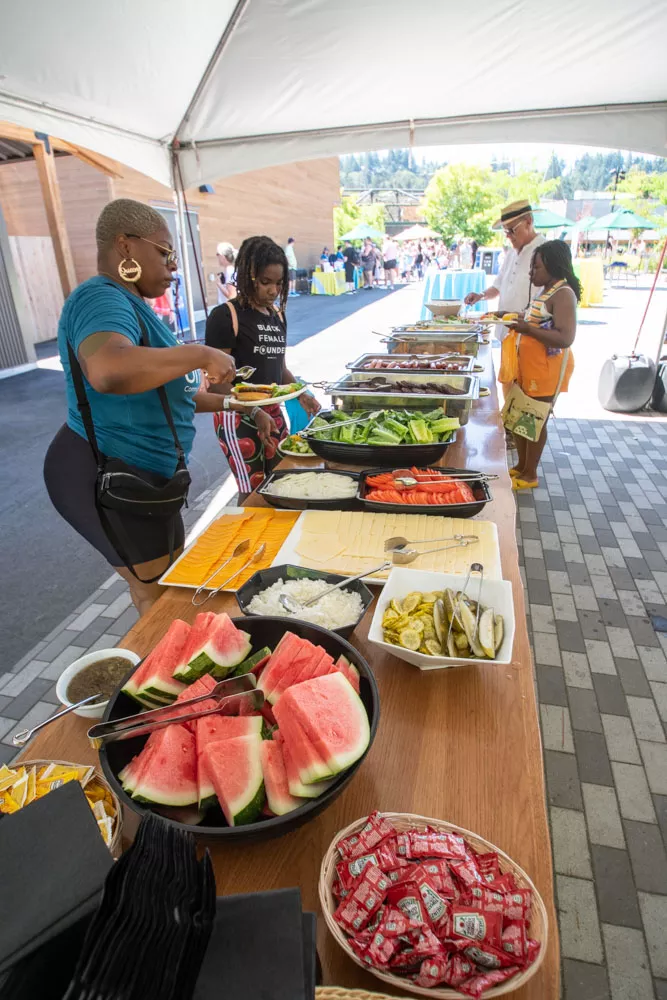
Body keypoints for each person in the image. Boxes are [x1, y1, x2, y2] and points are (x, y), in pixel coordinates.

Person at [43, 198, 237, 616]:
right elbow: (108, 369)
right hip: (107, 471)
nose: (173, 266)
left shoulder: (134, 306)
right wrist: (199, 353)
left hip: (150, 479)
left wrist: (240, 403)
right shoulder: (100, 298)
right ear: (126, 246)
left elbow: (171, 396)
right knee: (162, 601)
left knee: (168, 590)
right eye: (165, 253)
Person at [205, 235, 321, 496]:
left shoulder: (277, 315)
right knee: (254, 491)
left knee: (282, 481)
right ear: (247, 276)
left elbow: (278, 368)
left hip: (272, 411)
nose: (273, 291)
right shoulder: (226, 316)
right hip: (236, 416)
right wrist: (253, 412)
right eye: (265, 282)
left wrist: (301, 393)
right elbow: (215, 384)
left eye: (279, 283)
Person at [504, 240, 578, 491]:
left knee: (534, 419)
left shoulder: (563, 294)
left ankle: (530, 473)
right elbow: (537, 320)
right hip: (528, 367)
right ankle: (521, 466)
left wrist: (528, 329)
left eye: (536, 268)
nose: (531, 273)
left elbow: (566, 337)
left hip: (547, 369)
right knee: (520, 417)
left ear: (554, 266)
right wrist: (515, 318)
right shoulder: (546, 290)